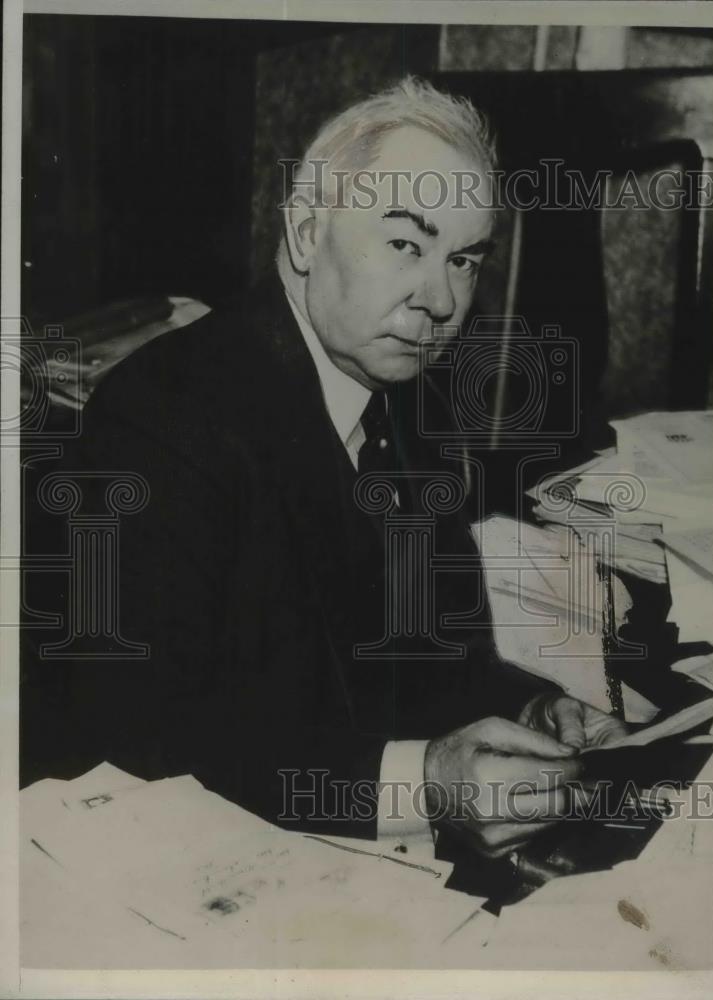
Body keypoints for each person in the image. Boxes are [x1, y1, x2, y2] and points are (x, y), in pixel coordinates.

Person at [23, 77, 626, 863]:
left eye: (464, 259)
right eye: (406, 244)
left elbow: (427, 650)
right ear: (307, 233)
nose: (440, 300)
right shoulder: (164, 421)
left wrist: (533, 714)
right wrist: (427, 786)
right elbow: (141, 749)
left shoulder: (404, 385)